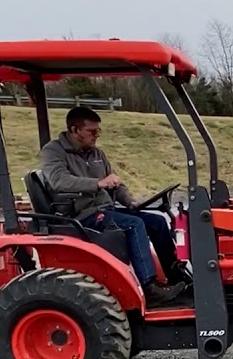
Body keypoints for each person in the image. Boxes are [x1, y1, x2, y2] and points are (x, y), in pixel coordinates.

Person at [39, 107, 186, 306]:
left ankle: (176, 278)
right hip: (80, 214)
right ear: (74, 130)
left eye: (98, 131)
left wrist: (130, 202)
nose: (96, 135)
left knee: (157, 221)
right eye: (92, 131)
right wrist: (97, 184)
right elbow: (59, 181)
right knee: (134, 225)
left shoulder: (96, 153)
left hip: (105, 209)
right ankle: (149, 288)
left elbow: (115, 182)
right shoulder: (53, 152)